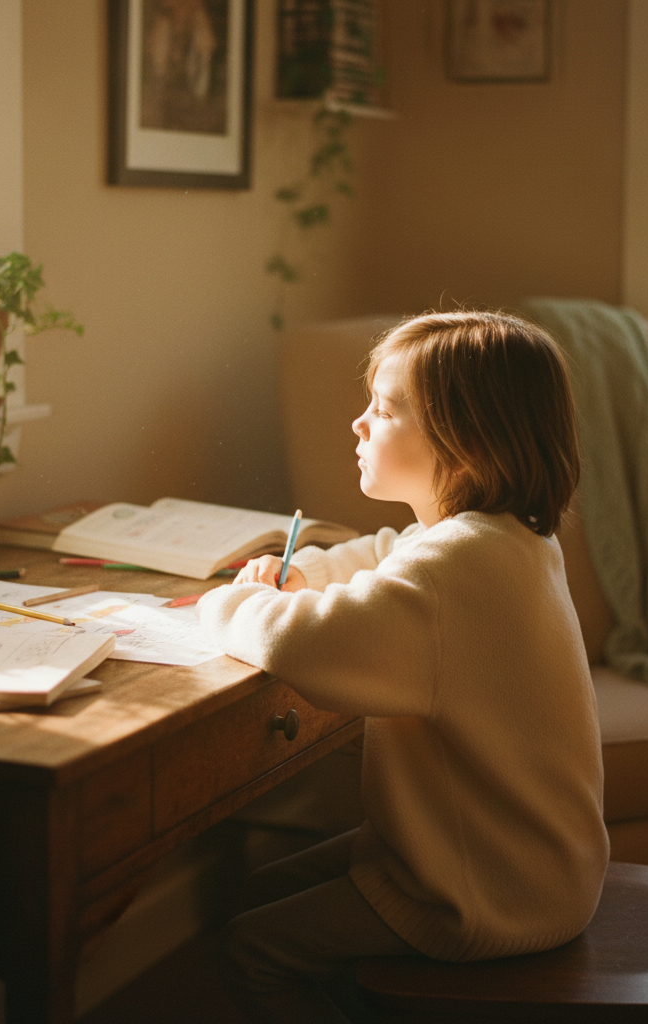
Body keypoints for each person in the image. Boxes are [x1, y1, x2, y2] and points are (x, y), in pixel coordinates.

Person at [196, 310, 610, 1024]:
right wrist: (307, 573)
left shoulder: (458, 567)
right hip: (530, 865)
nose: (359, 423)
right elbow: (391, 551)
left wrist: (228, 603)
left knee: (250, 950)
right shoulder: (503, 540)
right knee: (265, 891)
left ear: (464, 445)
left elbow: (312, 647)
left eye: (384, 410)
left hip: (480, 891)